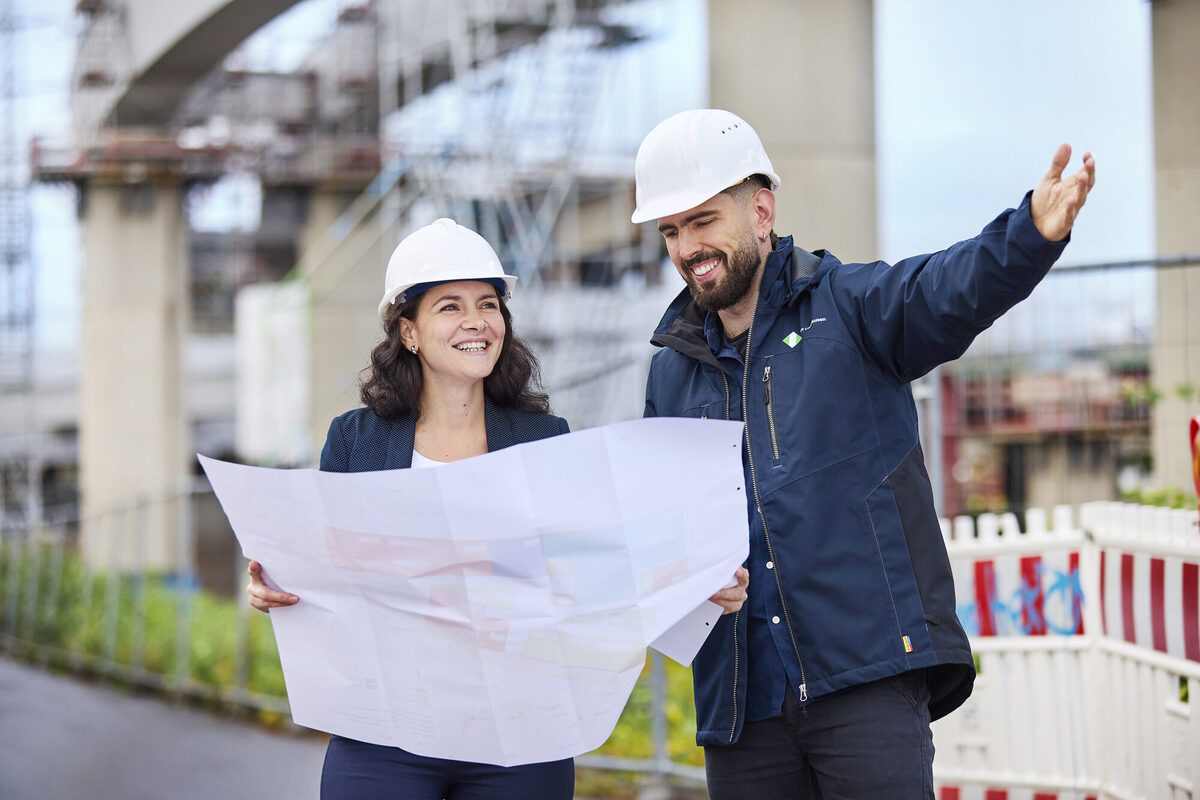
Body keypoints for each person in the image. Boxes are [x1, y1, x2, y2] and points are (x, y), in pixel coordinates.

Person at [633, 109, 1095, 800]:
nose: (687, 246)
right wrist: (681, 579)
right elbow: (659, 529)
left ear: (761, 211)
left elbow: (945, 290)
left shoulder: (847, 309)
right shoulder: (670, 374)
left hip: (865, 679)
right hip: (741, 704)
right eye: (671, 231)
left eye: (703, 221)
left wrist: (1028, 235)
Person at [245, 217, 576, 800]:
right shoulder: (355, 441)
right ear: (410, 332)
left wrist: (692, 580)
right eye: (449, 306)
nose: (476, 322)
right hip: (386, 732)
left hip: (516, 733)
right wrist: (277, 586)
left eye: (489, 305)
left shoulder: (545, 439)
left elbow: (586, 569)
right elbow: (324, 570)